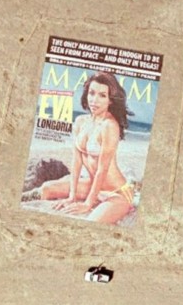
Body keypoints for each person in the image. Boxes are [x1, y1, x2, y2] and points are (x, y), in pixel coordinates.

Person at [25, 71, 136, 225]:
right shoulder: (81, 122)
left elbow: (102, 170)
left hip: (117, 193)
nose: (94, 100)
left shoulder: (109, 126)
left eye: (102, 95)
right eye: (92, 93)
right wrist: (72, 196)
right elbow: (76, 162)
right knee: (46, 189)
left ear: (110, 100)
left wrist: (88, 203)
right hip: (92, 186)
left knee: (92, 222)